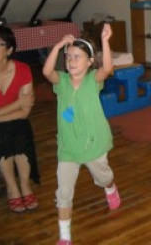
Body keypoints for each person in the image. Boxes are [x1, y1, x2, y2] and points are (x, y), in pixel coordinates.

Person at [42, 23, 120, 245]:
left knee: (103, 177)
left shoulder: (93, 80)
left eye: (77, 57)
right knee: (64, 191)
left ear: (90, 62)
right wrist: (58, 46)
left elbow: (108, 69)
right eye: (68, 57)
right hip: (68, 147)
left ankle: (110, 188)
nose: (71, 61)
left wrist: (105, 41)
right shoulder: (61, 81)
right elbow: (46, 72)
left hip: (93, 144)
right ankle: (65, 237)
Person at [0, 26, 39, 212]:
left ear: (9, 50)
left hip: (7, 120)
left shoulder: (23, 70)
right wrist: (17, 103)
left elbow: (24, 112)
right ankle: (12, 188)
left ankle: (25, 185)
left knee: (22, 130)